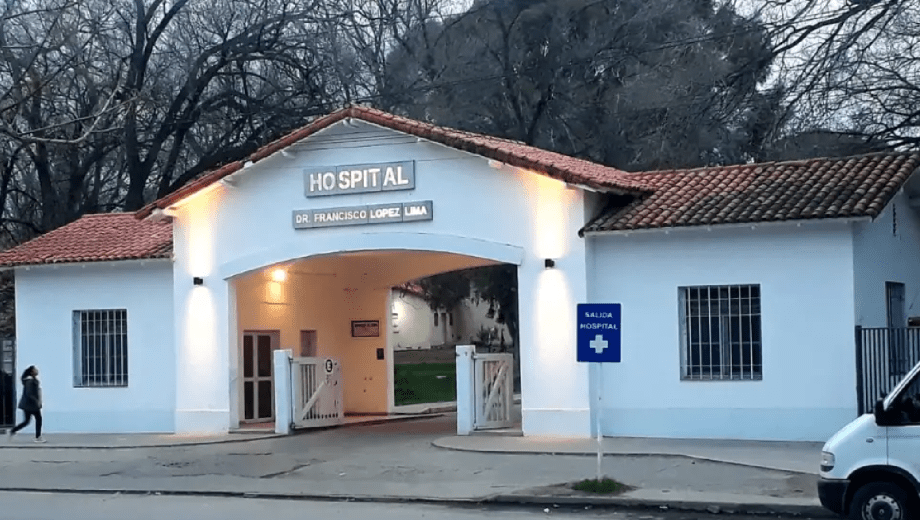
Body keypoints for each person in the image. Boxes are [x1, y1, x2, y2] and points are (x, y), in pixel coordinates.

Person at [7, 365, 44, 443]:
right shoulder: (30, 381)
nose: (37, 371)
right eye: (35, 370)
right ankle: (38, 437)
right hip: (30, 405)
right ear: (31, 372)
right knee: (38, 419)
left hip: (29, 404)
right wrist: (37, 401)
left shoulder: (32, 380)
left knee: (27, 421)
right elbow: (29, 393)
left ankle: (13, 430)